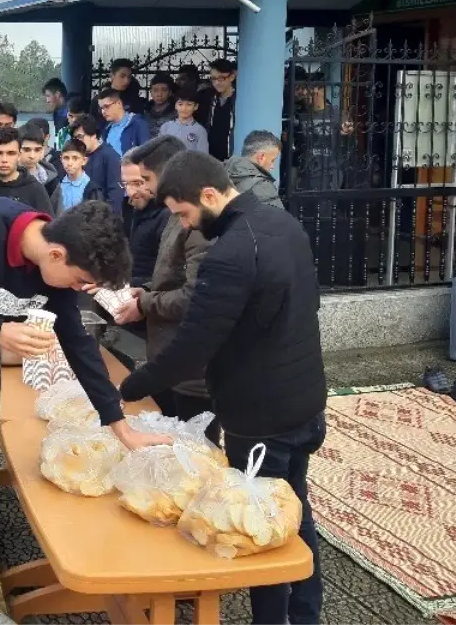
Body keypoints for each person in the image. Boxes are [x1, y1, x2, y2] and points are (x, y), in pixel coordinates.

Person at [0, 198, 170, 625]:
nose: (78, 290)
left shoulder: (58, 276)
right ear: (56, 254)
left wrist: (118, 423)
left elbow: (79, 343)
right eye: (80, 281)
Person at [120, 152, 327, 625]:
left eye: (185, 214)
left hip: (261, 414)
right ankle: (306, 613)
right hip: (305, 400)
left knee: (258, 530)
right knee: (294, 511)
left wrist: (128, 389)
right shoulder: (283, 224)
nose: (186, 227)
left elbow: (192, 346)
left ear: (209, 196)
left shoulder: (231, 252)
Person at [110, 137, 216, 440]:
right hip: (169, 360)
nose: (140, 189)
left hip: (192, 369)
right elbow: (170, 276)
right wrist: (142, 292)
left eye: (145, 180)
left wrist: (145, 303)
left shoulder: (197, 221)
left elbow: (195, 295)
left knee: (197, 449)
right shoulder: (174, 214)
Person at [117, 138, 175, 291]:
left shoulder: (170, 216)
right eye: (125, 184)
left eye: (138, 183)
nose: (130, 192)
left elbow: (170, 277)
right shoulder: (130, 208)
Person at [0, 126, 54, 214]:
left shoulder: (35, 189)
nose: (4, 159)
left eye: (11, 153)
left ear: (19, 155)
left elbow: (47, 226)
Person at [72, 115, 123, 214]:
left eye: (80, 137)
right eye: (75, 138)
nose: (77, 142)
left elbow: (115, 195)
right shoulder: (78, 156)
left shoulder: (110, 156)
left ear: (93, 135)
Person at [226, 130, 284, 209]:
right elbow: (280, 220)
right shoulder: (263, 188)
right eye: (272, 160)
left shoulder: (220, 174)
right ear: (261, 157)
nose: (272, 166)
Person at [198, 58, 238, 160]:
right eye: (214, 78)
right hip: (210, 157)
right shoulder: (207, 98)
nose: (217, 82)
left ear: (232, 76)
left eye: (221, 78)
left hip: (232, 157)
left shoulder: (240, 99)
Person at [52, 138, 104, 213]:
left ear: (84, 161)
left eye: (75, 158)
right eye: (66, 158)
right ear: (61, 160)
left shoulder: (92, 189)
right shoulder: (57, 185)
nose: (70, 163)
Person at [98, 87, 151, 156]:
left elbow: (147, 153)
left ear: (119, 103)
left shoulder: (138, 124)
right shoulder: (106, 129)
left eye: (106, 106)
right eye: (101, 108)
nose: (103, 112)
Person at [158, 86, 209, 154]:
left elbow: (203, 157)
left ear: (196, 106)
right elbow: (159, 152)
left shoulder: (200, 130)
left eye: (189, 104)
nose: (184, 108)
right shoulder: (166, 127)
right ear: (175, 105)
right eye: (180, 104)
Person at [18, 121, 58, 187]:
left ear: (42, 150)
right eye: (26, 150)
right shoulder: (4, 176)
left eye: (37, 150)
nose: (32, 156)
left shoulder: (52, 182)